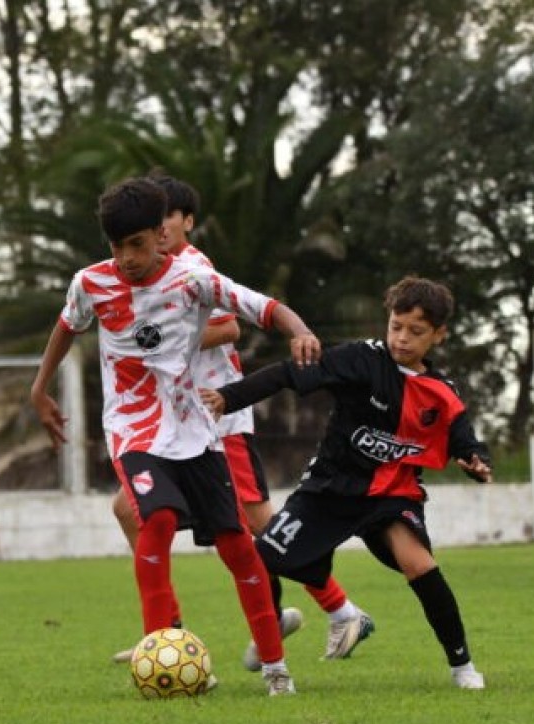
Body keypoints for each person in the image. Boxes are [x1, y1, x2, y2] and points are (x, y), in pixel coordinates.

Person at [30, 176, 322, 696]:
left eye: (136, 244)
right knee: (158, 517)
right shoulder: (91, 283)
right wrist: (39, 388)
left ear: (161, 237)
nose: (125, 258)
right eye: (116, 247)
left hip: (194, 431)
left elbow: (264, 308)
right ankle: (160, 657)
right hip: (133, 429)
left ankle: (277, 670)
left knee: (237, 544)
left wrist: (299, 331)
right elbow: (65, 326)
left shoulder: (194, 279)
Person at [109, 173, 370, 667]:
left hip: (217, 418)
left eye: (169, 216)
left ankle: (340, 608)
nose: (160, 227)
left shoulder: (190, 265)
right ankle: (167, 635)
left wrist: (156, 342)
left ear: (186, 221)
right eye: (153, 217)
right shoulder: (142, 272)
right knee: (129, 509)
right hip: (173, 424)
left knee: (258, 524)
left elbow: (229, 324)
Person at [203, 276, 491, 690]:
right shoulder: (361, 359)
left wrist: (476, 460)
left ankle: (463, 667)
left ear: (439, 336)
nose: (402, 339)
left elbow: (464, 437)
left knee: (420, 565)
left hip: (392, 495)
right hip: (330, 491)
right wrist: (228, 398)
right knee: (260, 561)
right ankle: (270, 633)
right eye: (396, 326)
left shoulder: (440, 392)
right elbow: (288, 373)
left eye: (416, 331)